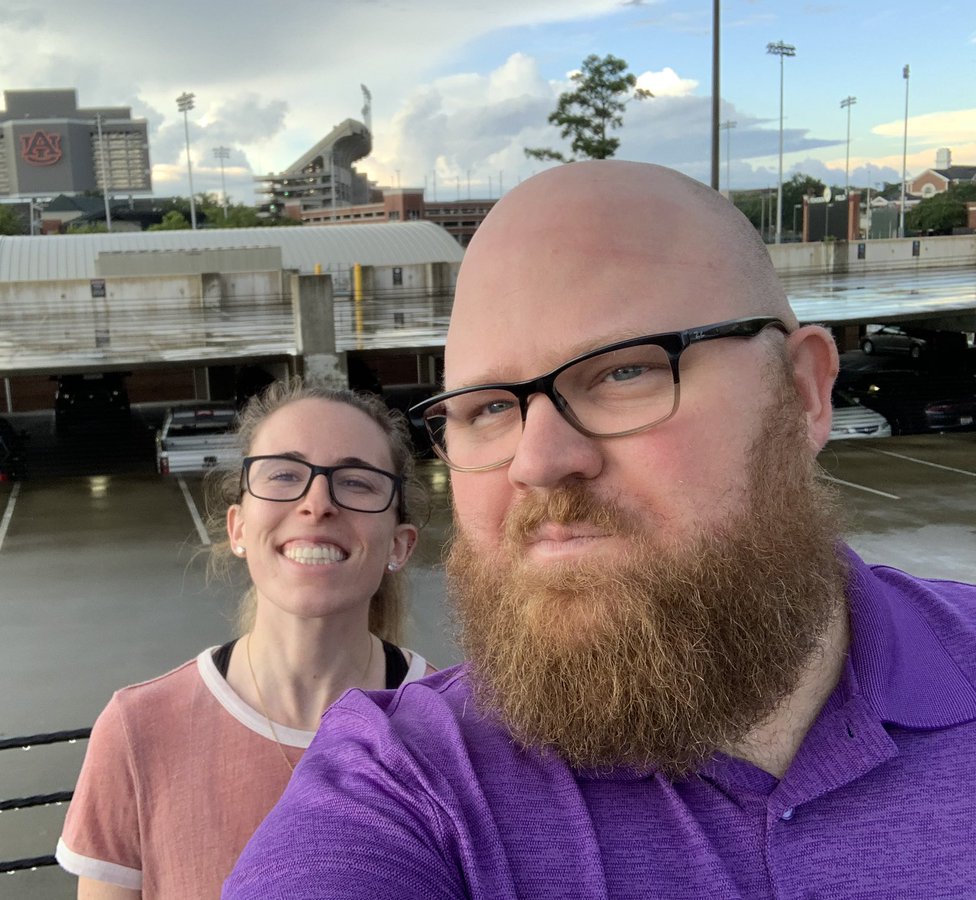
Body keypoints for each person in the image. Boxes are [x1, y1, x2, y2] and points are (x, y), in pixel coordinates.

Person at [224, 161, 976, 898]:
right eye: (489, 408)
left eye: (623, 372)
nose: (537, 462)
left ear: (804, 393)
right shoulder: (404, 783)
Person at [57, 380, 432, 898]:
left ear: (399, 544)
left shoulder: (463, 731)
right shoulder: (136, 732)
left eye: (356, 482)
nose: (317, 503)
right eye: (284, 474)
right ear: (237, 529)